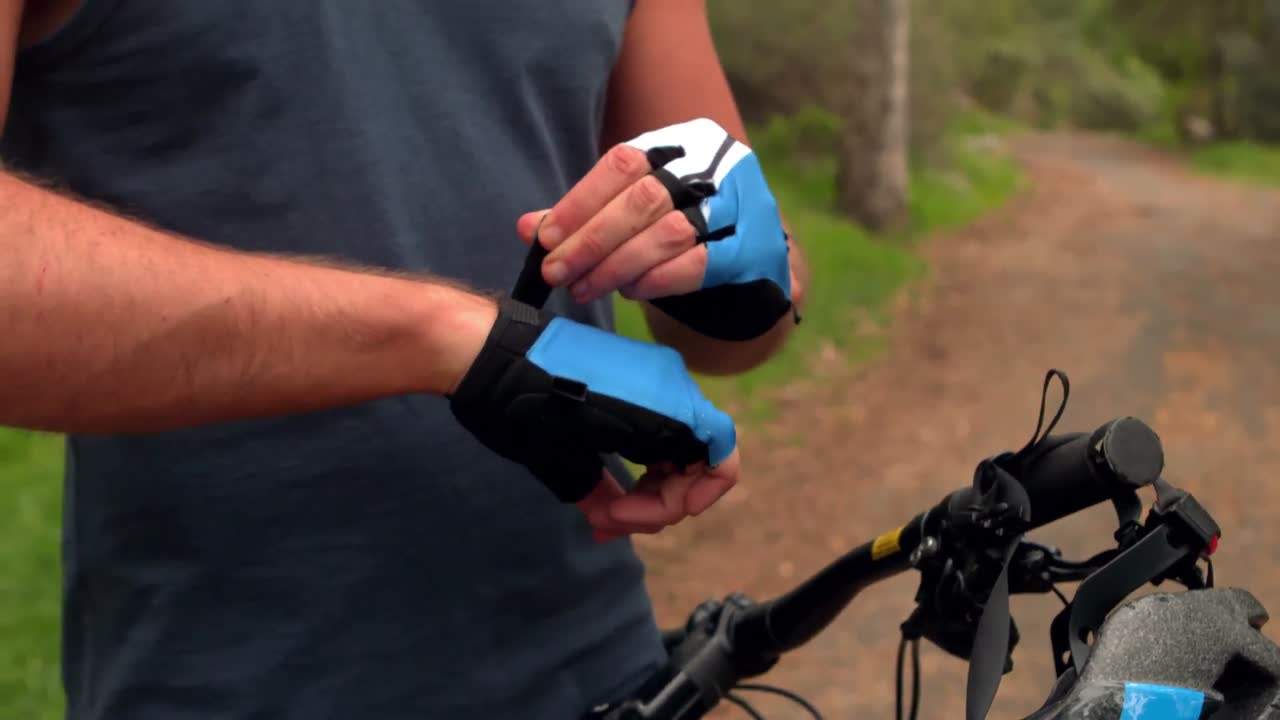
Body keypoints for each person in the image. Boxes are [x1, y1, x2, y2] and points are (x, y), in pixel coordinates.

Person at [0, 1, 808, 718]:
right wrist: (446, 338)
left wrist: (741, 273)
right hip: (221, 677)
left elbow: (747, 316)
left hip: (601, 669)